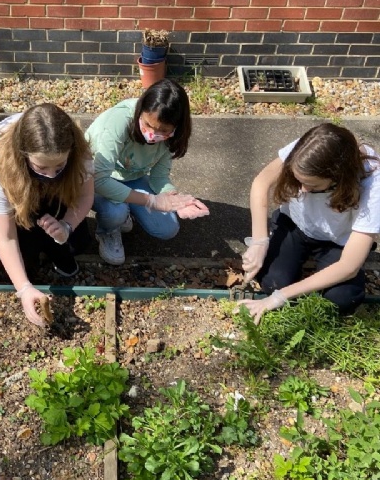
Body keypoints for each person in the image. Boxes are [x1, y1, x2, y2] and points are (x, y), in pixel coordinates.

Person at [240, 122, 380, 324]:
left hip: (338, 240)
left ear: (339, 177)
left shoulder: (373, 183)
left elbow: (348, 266)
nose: (302, 190)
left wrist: (281, 297)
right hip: (296, 225)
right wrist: (259, 242)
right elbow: (261, 182)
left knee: (342, 300)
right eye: (298, 180)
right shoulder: (309, 149)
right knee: (272, 282)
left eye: (312, 185)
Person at [0, 103, 94, 327]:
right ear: (23, 155)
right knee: (25, 247)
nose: (51, 175)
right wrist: (23, 288)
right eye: (42, 168)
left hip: (55, 191)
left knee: (75, 241)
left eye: (59, 167)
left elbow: (85, 196)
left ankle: (58, 251)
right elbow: (6, 237)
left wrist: (67, 226)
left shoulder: (80, 154)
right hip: (19, 186)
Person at [85, 78, 209, 266]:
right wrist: (151, 200)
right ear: (140, 111)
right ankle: (107, 231)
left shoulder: (172, 137)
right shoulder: (118, 122)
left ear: (176, 127)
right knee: (115, 212)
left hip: (130, 177)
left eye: (163, 130)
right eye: (148, 125)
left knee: (167, 228)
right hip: (94, 178)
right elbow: (99, 180)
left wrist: (175, 199)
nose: (152, 135)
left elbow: (159, 177)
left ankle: (126, 208)